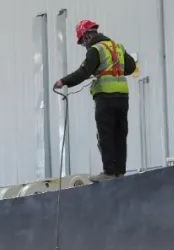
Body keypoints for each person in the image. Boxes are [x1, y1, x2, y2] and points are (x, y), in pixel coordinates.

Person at [53, 19, 137, 180]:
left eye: (82, 41)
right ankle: (120, 171)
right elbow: (131, 67)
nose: (84, 45)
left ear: (86, 36)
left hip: (105, 97)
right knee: (120, 134)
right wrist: (113, 71)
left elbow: (84, 72)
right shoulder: (117, 47)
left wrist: (63, 81)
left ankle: (109, 172)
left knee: (106, 135)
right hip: (122, 97)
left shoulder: (95, 49)